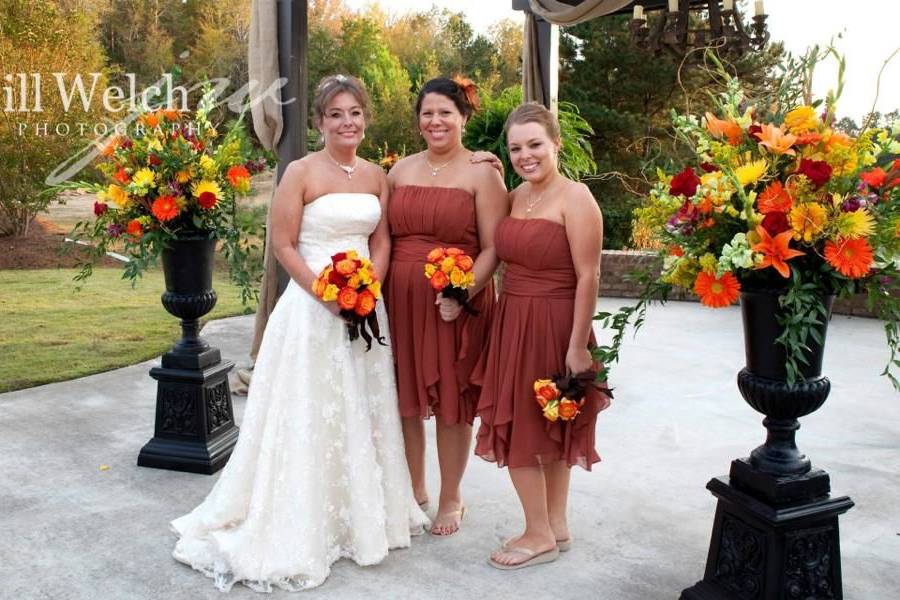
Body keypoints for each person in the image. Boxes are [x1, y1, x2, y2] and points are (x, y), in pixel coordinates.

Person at [170, 74, 429, 592]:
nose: (347, 122)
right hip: (312, 311)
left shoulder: (378, 175)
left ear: (365, 119)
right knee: (311, 410)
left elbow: (383, 239)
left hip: (364, 311)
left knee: (360, 406)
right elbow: (284, 245)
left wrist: (369, 285)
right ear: (319, 122)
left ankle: (359, 515)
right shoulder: (300, 171)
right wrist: (327, 293)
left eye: (355, 112)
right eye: (336, 114)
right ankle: (302, 520)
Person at [473, 102, 611, 569]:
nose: (525, 155)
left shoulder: (576, 199)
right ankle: (555, 525)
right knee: (545, 423)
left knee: (527, 427)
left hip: (555, 323)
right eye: (515, 148)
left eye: (535, 144)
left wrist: (576, 346)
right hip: (512, 320)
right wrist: (489, 164)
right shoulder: (515, 197)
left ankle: (536, 534)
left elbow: (589, 276)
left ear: (557, 143)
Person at [386, 77, 508, 536]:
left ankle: (451, 497)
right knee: (406, 399)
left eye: (445, 113)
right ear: (418, 120)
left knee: (452, 399)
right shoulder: (399, 171)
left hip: (455, 302)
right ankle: (414, 489)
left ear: (463, 118)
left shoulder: (482, 172)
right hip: (398, 301)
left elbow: (495, 246)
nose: (435, 122)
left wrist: (462, 294)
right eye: (427, 113)